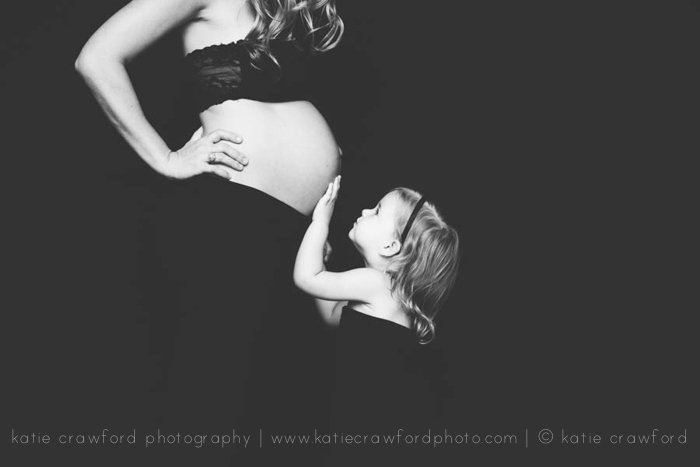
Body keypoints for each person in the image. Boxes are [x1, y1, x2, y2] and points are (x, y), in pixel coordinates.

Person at [75, 0, 344, 465]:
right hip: (230, 220)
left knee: (273, 400)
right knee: (211, 394)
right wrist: (166, 158)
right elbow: (96, 58)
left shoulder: (279, 12)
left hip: (293, 229)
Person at [294, 177, 461, 465]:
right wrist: (321, 263)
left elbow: (306, 278)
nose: (365, 211)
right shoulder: (388, 294)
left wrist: (320, 222)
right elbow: (333, 315)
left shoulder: (376, 282)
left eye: (377, 210)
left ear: (390, 245)